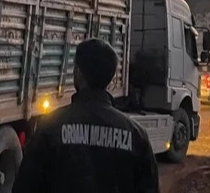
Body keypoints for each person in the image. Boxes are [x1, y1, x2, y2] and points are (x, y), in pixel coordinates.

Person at [13, 38, 159, 193]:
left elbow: (25, 187)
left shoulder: (50, 127)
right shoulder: (136, 136)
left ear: (78, 73)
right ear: (110, 79)